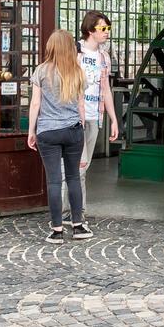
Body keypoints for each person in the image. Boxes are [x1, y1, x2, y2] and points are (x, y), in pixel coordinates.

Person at [28, 29, 92, 243]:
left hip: (48, 131)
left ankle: (56, 230)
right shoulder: (78, 72)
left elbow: (36, 103)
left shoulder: (41, 71)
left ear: (51, 47)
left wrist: (31, 131)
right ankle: (78, 226)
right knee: (73, 177)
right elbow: (81, 105)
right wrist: (81, 126)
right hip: (73, 130)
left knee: (54, 181)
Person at [63, 12, 120, 226]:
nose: (106, 33)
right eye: (102, 28)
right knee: (78, 166)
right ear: (90, 30)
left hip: (94, 116)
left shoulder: (104, 57)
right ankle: (76, 212)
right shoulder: (74, 52)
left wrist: (113, 119)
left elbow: (106, 90)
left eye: (108, 28)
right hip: (74, 117)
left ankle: (72, 211)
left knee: (81, 168)